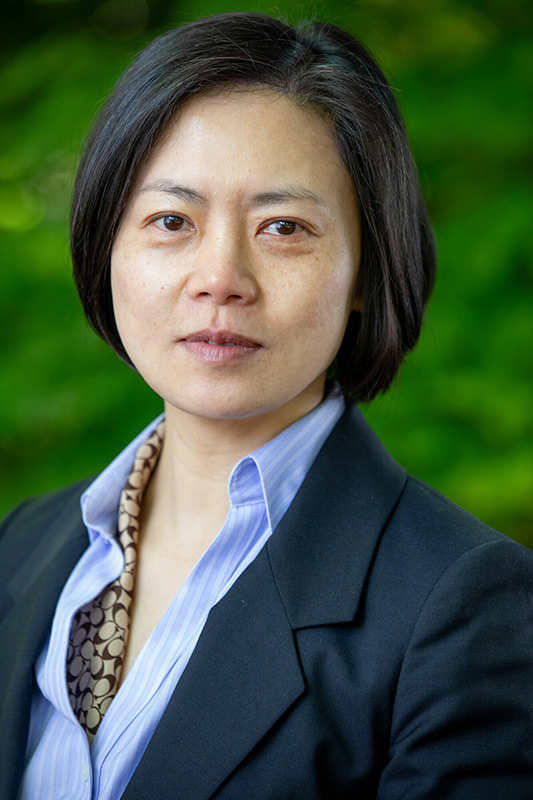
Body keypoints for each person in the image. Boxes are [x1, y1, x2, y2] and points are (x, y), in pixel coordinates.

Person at [1, 12, 532, 800]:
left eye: (283, 228)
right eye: (171, 221)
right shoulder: (25, 548)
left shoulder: (462, 607)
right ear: (106, 247)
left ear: (364, 272)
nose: (221, 276)